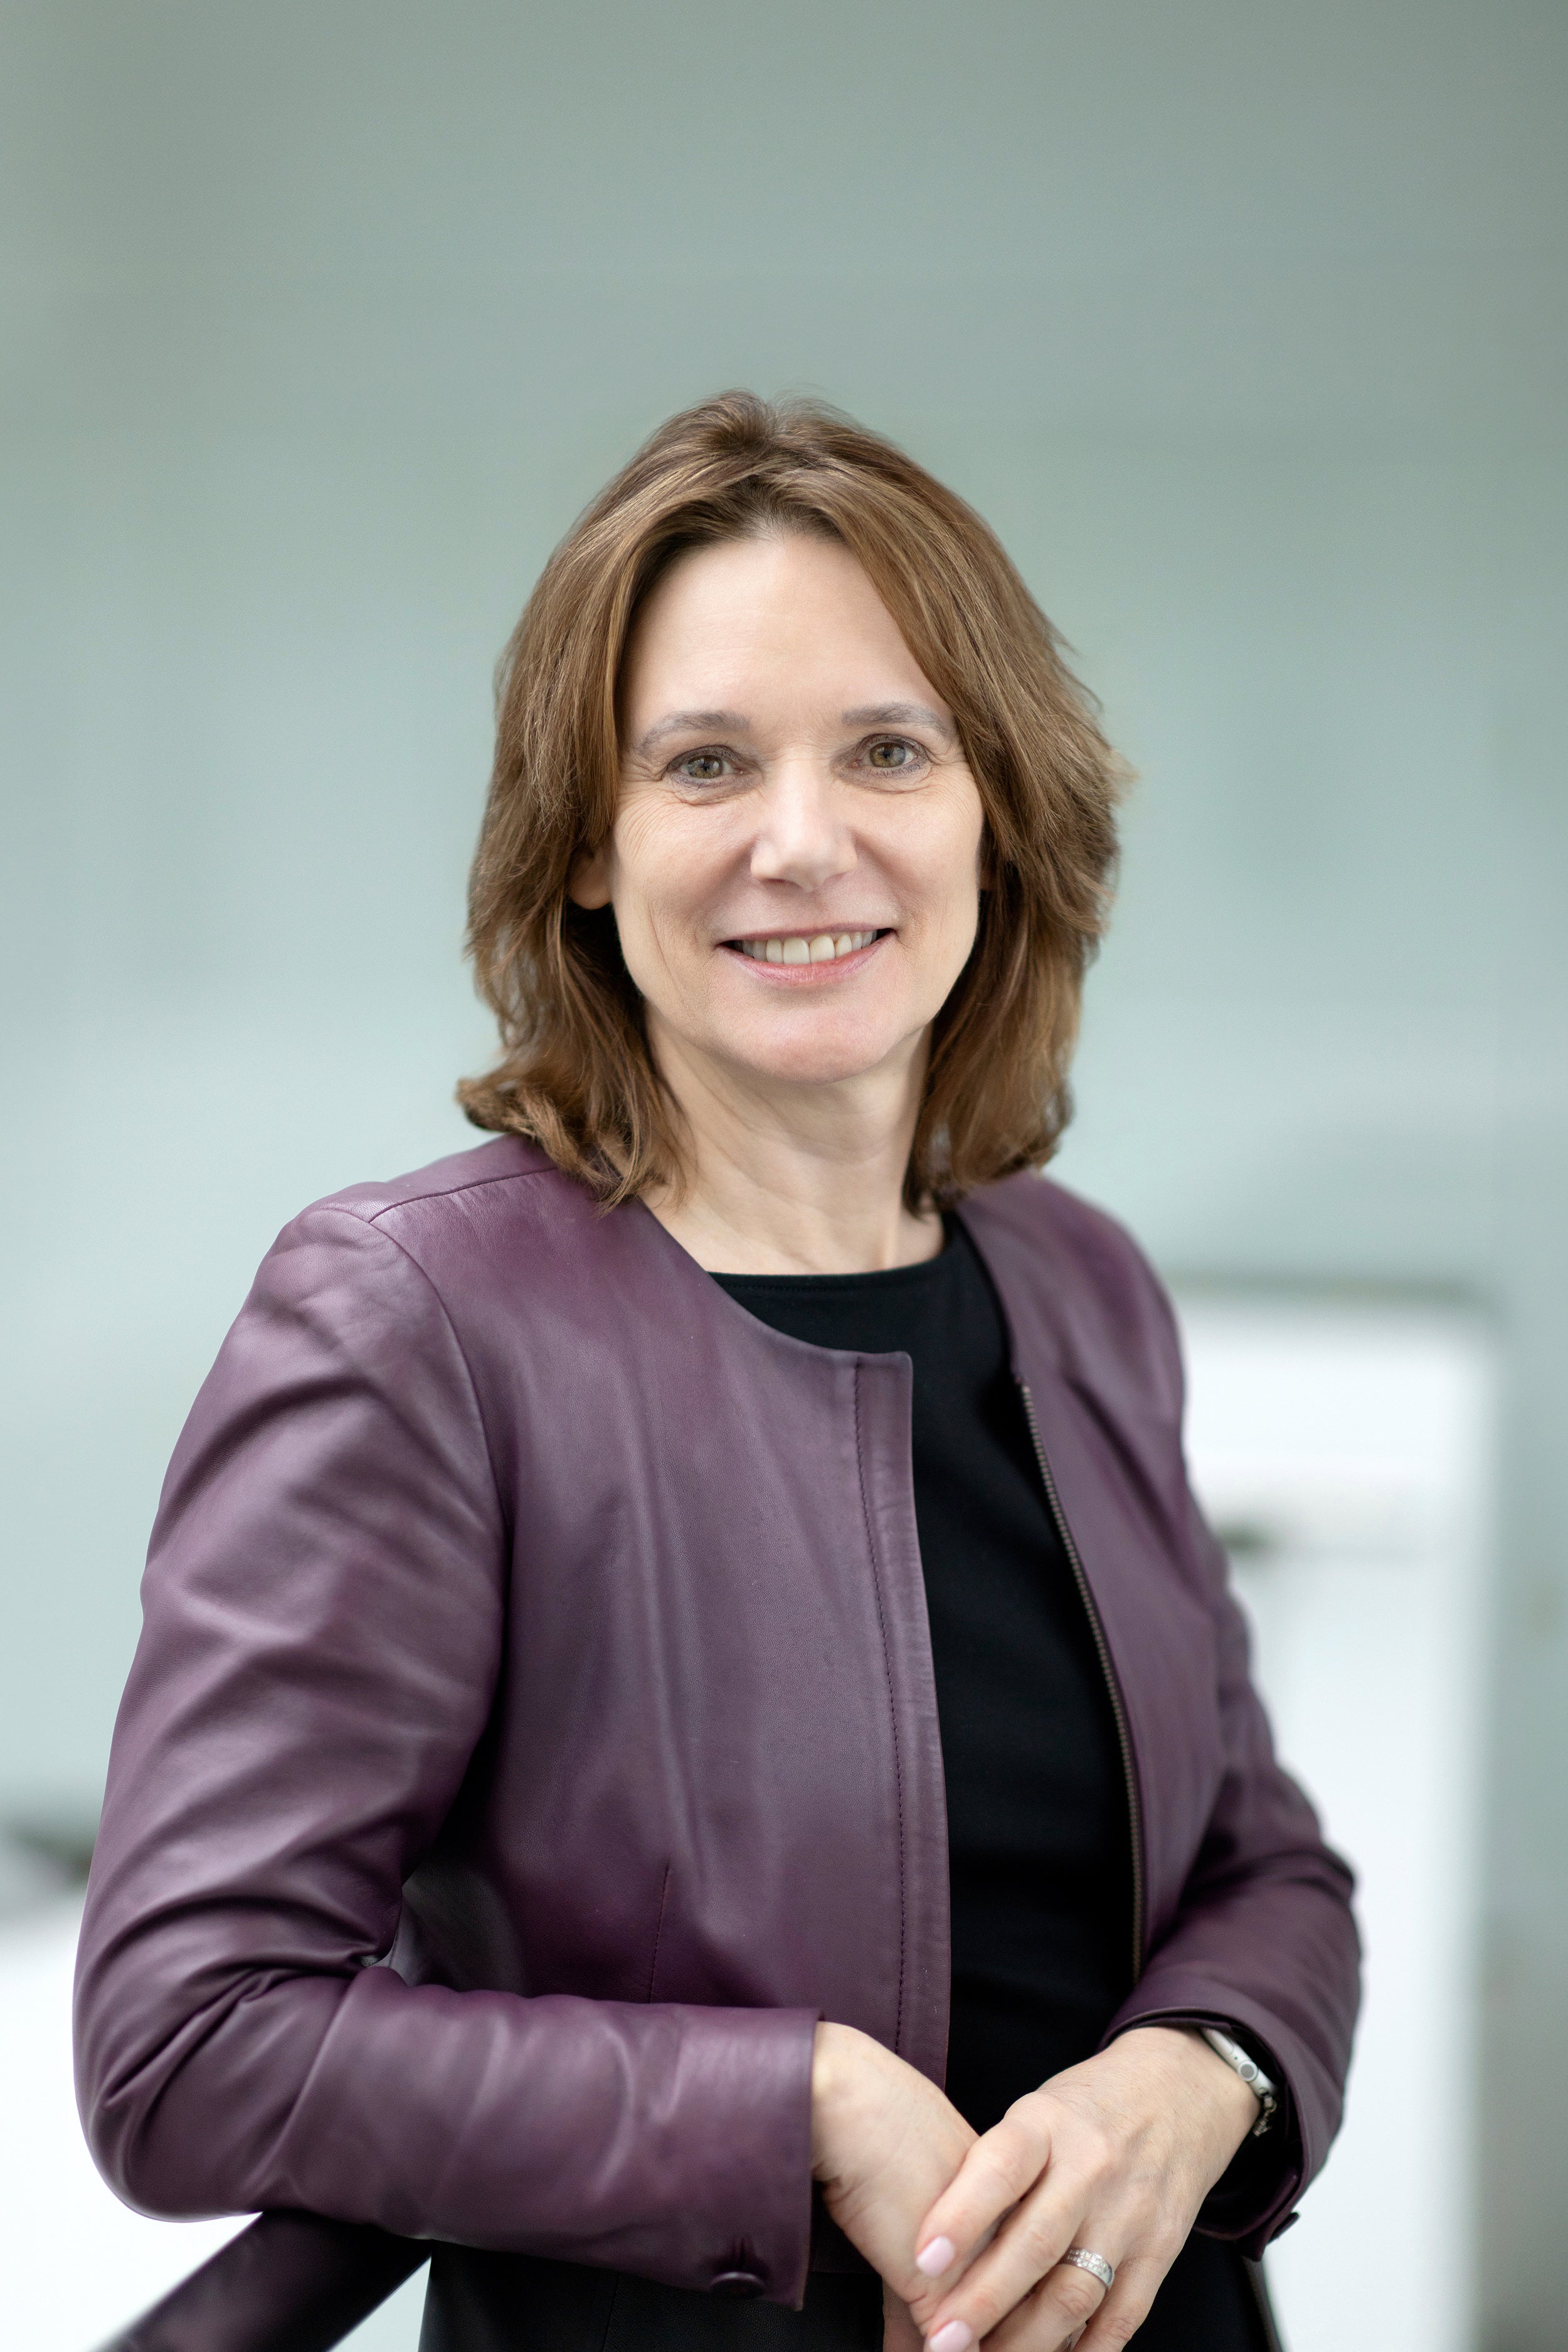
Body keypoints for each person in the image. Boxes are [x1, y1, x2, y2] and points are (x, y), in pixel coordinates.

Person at [75, 393, 1359, 2352]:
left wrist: (1202, 2071)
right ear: (586, 850)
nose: (801, 838)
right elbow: (192, 2041)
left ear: (991, 811)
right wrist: (795, 2105)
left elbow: (1262, 1863)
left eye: (885, 749)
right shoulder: (415, 1318)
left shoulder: (1079, 1286)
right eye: (700, 763)